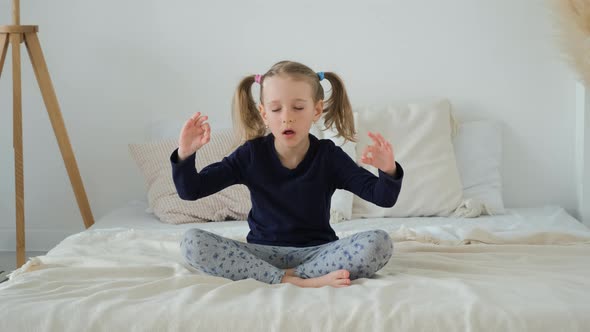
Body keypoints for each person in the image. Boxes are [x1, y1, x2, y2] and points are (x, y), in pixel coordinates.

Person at [171, 60, 404, 288]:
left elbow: (381, 197)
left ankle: (279, 277)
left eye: (299, 107)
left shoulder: (329, 156)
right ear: (264, 113)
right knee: (192, 242)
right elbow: (192, 190)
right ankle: (297, 280)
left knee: (379, 242)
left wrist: (388, 170)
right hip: (261, 253)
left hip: (318, 252)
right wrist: (185, 154)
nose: (287, 117)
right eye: (275, 108)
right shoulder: (251, 154)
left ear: (317, 110)